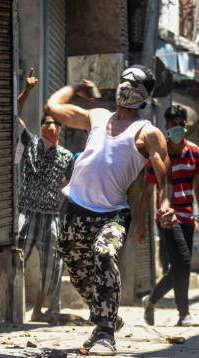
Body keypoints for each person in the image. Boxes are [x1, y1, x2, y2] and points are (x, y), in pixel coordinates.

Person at [44, 65, 175, 355]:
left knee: (104, 254)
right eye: (123, 80)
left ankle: (104, 334)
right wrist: (76, 86)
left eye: (133, 83)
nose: (125, 86)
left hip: (113, 213)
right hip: (75, 208)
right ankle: (108, 316)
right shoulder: (97, 116)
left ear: (143, 94)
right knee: (79, 273)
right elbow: (53, 106)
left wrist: (165, 206)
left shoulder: (148, 133)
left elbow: (164, 177)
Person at [137, 104, 199, 327]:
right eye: (173, 125)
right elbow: (147, 191)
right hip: (166, 216)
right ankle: (184, 313)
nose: (178, 128)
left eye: (181, 124)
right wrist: (140, 224)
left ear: (186, 125)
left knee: (180, 265)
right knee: (184, 263)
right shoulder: (158, 155)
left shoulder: (195, 153)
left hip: (188, 215)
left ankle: (150, 300)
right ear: (167, 127)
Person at [15, 72, 73, 323]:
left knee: (53, 266)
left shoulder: (67, 156)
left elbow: (70, 185)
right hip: (26, 212)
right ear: (41, 127)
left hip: (51, 216)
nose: (50, 126)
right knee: (16, 258)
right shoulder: (30, 144)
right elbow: (13, 115)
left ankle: (39, 310)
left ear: (59, 128)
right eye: (46, 123)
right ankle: (13, 308)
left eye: (54, 123)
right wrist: (27, 91)